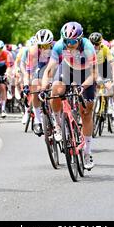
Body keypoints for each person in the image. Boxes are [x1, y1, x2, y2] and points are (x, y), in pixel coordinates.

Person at [41, 22, 97, 170]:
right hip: (67, 69)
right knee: (55, 91)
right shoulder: (59, 46)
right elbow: (49, 70)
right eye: (67, 41)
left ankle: (87, 153)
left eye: (73, 41)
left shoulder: (88, 47)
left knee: (86, 112)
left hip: (86, 75)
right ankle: (58, 125)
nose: (70, 44)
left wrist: (82, 87)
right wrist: (42, 87)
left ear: (80, 39)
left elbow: (94, 75)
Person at [23, 29, 55, 136]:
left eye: (45, 46)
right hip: (40, 67)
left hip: (55, 66)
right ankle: (37, 120)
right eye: (40, 46)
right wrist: (27, 84)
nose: (43, 48)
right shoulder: (33, 51)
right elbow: (30, 72)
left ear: (51, 43)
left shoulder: (57, 47)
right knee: (35, 86)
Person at [89, 32, 114, 124]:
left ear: (100, 43)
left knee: (111, 87)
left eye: (97, 44)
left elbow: (112, 64)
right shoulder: (87, 49)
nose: (94, 46)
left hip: (104, 67)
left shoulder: (105, 48)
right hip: (92, 67)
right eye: (92, 44)